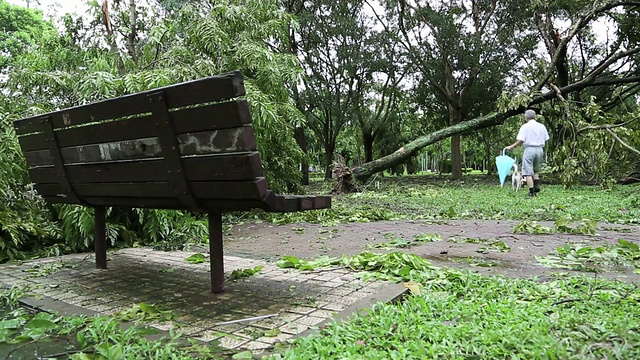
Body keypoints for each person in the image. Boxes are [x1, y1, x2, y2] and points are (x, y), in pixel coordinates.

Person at [505, 109, 550, 197]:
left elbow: (521, 140)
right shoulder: (542, 126)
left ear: (526, 117)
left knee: (528, 172)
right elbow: (546, 139)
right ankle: (536, 184)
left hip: (529, 149)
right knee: (536, 169)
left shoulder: (525, 127)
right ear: (535, 116)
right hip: (540, 149)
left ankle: (532, 192)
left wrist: (511, 146)